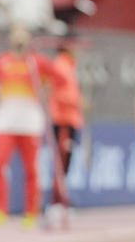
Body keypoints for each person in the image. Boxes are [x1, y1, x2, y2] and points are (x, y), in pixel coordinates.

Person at [0, 24, 61, 227]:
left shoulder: (37, 62)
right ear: (10, 39)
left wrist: (45, 90)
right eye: (16, 36)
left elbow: (57, 79)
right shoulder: (2, 61)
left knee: (31, 169)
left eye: (23, 36)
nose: (19, 40)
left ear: (28, 40)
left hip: (30, 120)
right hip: (6, 119)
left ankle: (30, 212)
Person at [48, 42, 86, 222]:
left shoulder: (70, 66)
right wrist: (78, 101)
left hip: (71, 120)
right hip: (62, 120)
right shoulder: (60, 65)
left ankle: (62, 201)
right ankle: (56, 202)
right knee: (60, 163)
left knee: (66, 163)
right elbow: (55, 92)